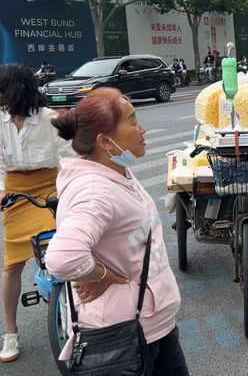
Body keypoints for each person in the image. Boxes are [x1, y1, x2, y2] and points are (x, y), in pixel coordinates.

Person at [46, 88, 188, 375]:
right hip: (123, 334)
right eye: (133, 121)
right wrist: (104, 276)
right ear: (104, 141)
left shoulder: (114, 170)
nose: (142, 128)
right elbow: (62, 258)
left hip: (153, 326)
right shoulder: (96, 191)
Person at [0, 64, 73, 363]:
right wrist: (2, 189)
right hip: (15, 190)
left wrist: (71, 190)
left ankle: (81, 311)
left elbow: (69, 158)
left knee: (66, 246)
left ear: (14, 89)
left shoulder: (51, 119)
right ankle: (10, 331)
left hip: (51, 184)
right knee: (12, 265)